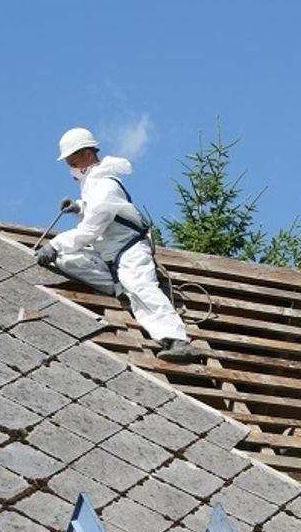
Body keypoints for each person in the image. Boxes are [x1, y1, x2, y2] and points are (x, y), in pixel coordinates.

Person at [36, 127, 196, 363]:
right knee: (66, 260)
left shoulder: (104, 186)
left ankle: (177, 340)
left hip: (129, 250)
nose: (71, 167)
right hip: (108, 252)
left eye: (73, 161)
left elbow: (90, 230)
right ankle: (118, 285)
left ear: (89, 155)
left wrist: (55, 244)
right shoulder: (94, 183)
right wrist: (79, 207)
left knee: (140, 287)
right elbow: (97, 209)